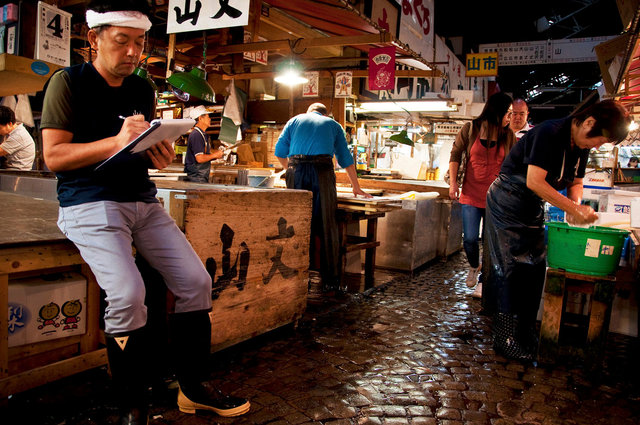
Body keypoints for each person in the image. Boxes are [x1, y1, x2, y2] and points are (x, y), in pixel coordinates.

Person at [40, 1, 250, 423]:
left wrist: (159, 152)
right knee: (129, 295)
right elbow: (54, 157)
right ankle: (131, 405)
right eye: (122, 42)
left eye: (139, 43)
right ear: (94, 39)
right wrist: (116, 142)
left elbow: (144, 153)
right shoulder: (68, 82)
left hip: (143, 201)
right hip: (89, 203)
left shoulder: (142, 88)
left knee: (195, 282)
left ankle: (192, 389)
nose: (134, 53)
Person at [484, 99, 630, 361]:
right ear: (588, 123)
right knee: (511, 267)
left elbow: (575, 181)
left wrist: (575, 206)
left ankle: (526, 331)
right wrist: (573, 210)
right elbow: (534, 181)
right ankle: (504, 337)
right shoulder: (549, 132)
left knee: (535, 267)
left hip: (532, 205)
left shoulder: (581, 144)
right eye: (599, 140)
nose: (597, 146)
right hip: (508, 199)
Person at [275, 103, 371, 292]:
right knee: (327, 224)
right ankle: (330, 280)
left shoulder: (294, 121)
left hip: (297, 170)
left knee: (298, 224)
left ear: (309, 112)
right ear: (326, 114)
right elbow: (346, 159)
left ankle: (300, 276)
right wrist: (356, 187)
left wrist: (290, 171)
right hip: (322, 172)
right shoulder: (333, 125)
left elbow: (279, 152)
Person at [448, 92, 516, 298]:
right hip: (470, 193)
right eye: (508, 113)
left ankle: (483, 281)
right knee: (469, 239)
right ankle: (473, 265)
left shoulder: (509, 136)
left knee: (490, 242)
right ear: (498, 111)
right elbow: (455, 154)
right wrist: (453, 183)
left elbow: (514, 165)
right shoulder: (471, 129)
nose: (510, 118)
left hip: (497, 199)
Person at [184, 105, 224, 182]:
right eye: (208, 117)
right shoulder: (196, 135)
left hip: (201, 176)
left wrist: (216, 155)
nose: (210, 119)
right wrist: (215, 155)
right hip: (196, 177)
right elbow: (199, 158)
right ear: (200, 118)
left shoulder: (202, 134)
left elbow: (203, 154)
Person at [0, 105, 36, 170]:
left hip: (18, 173)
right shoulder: (10, 133)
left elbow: (0, 151)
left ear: (9, 124)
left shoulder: (18, 135)